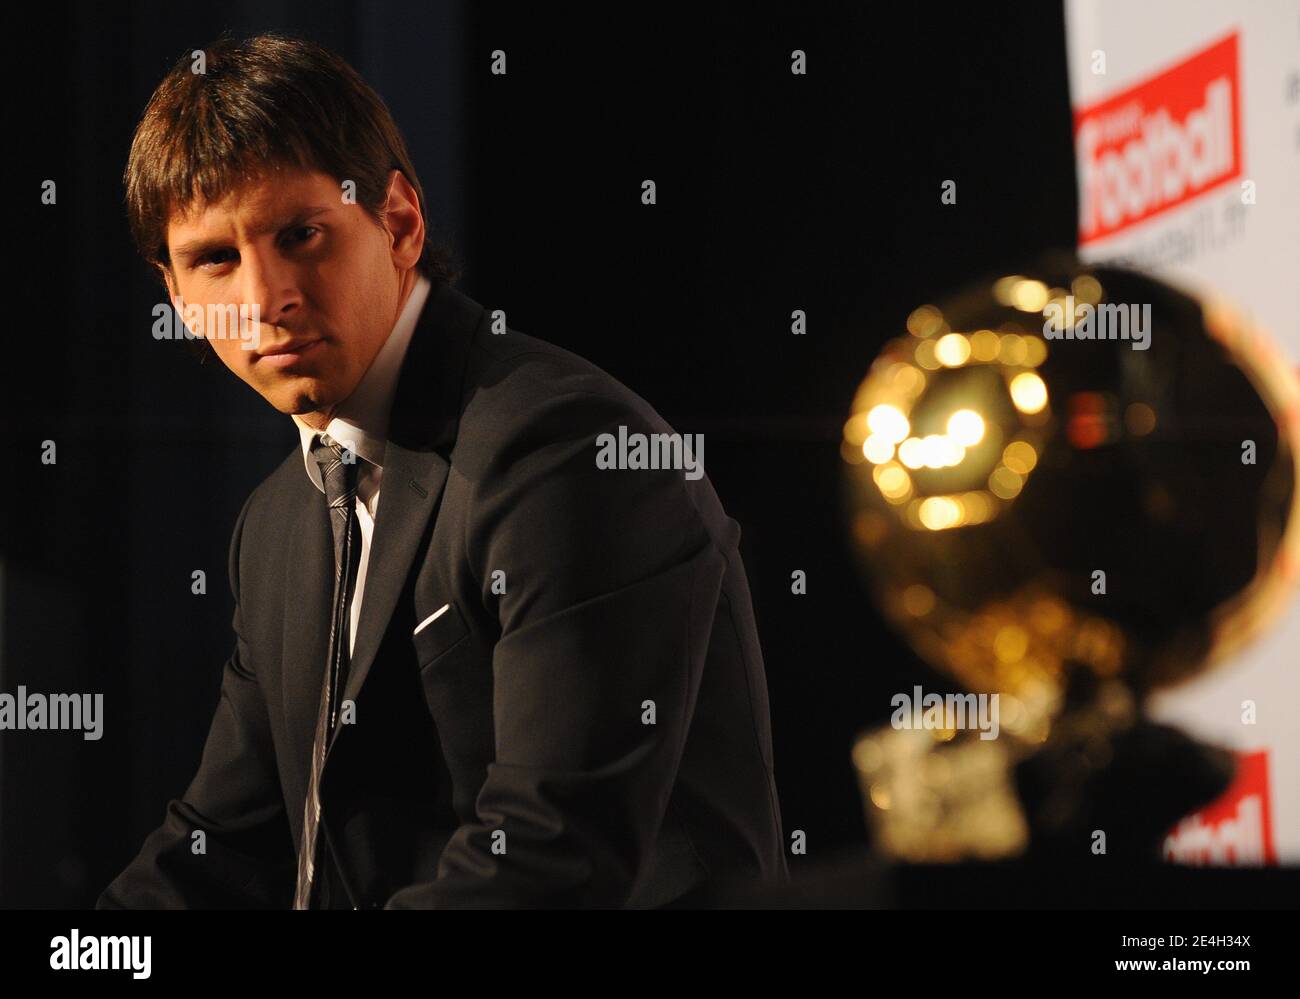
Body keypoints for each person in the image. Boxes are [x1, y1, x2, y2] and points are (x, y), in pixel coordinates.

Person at [97, 32, 786, 909]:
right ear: (178, 299)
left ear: (399, 223)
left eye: (300, 234)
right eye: (216, 260)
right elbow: (221, 845)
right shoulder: (275, 521)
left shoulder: (567, 449)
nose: (265, 301)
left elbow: (547, 859)